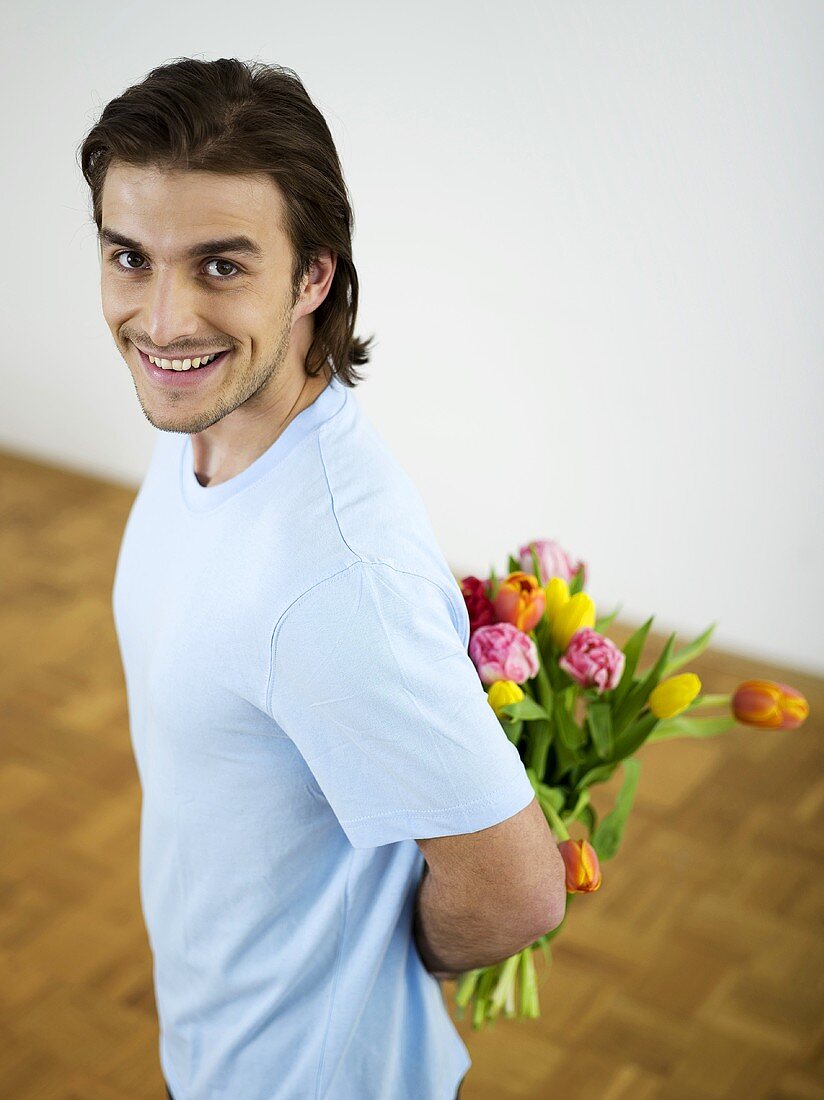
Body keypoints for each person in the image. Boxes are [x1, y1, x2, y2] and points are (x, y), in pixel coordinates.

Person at [79, 56, 555, 1099]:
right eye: (130, 256)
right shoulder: (207, 422)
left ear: (313, 276)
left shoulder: (336, 582)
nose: (160, 321)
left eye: (218, 266)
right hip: (221, 1039)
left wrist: (369, 965)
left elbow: (517, 892)